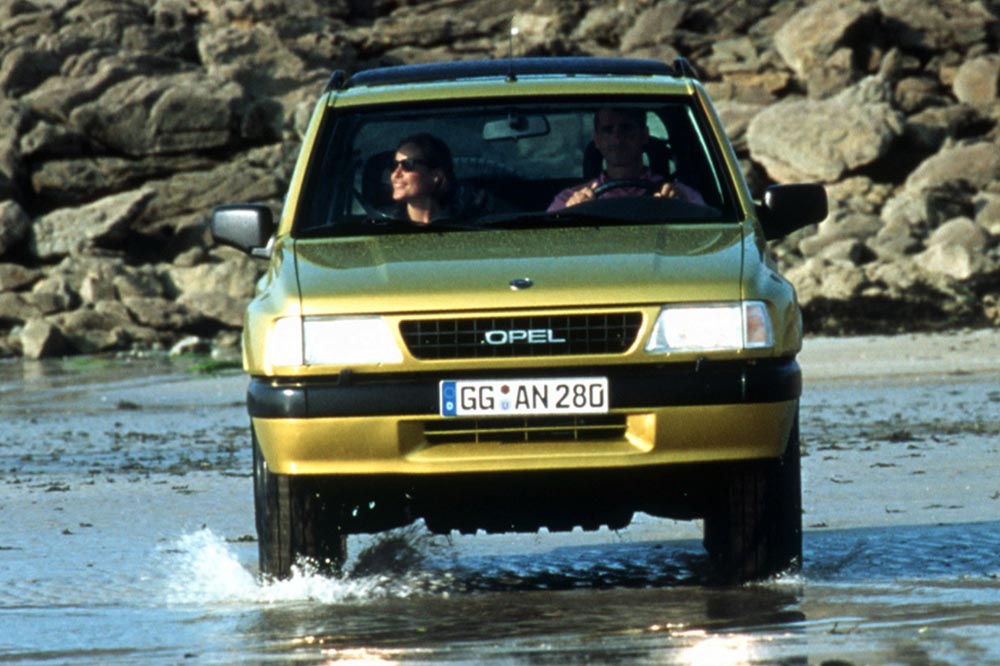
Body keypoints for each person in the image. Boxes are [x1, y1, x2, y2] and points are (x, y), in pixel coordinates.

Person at [548, 108, 705, 212]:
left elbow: (709, 235)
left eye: (626, 128)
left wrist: (682, 208)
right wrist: (570, 213)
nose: (617, 137)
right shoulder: (570, 199)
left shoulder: (680, 195)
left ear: (644, 135)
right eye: (608, 130)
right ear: (597, 140)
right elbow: (547, 245)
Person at [389, 133, 456, 224]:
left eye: (408, 164)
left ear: (435, 175)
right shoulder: (382, 226)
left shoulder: (465, 226)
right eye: (394, 165)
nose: (395, 174)